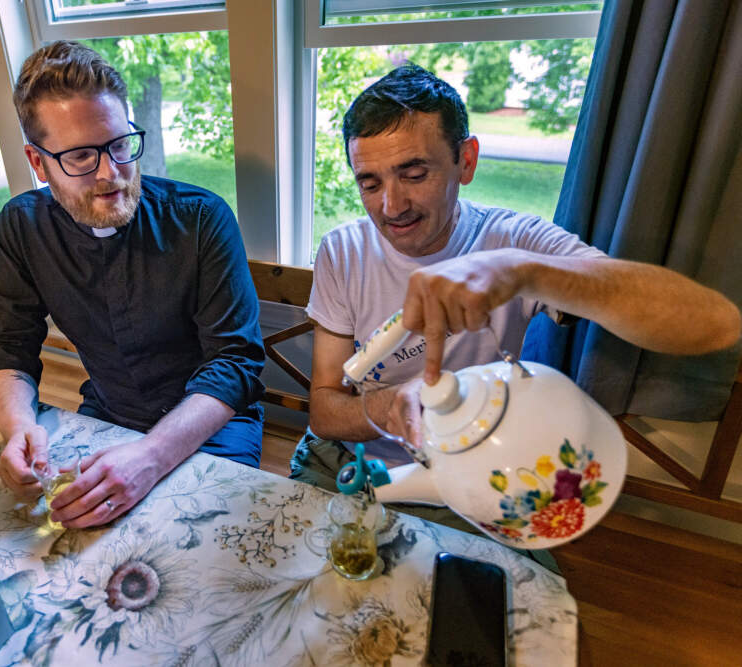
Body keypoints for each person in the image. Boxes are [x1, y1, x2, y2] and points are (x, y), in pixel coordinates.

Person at [291, 64, 741, 522]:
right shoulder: (342, 250)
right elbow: (325, 413)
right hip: (347, 466)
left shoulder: (513, 242)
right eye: (370, 183)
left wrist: (521, 272)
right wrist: (391, 404)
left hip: (471, 475)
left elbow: (715, 323)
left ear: (466, 161)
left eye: (414, 173)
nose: (391, 206)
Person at [0, 41, 265, 530]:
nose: (112, 174)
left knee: (189, 541)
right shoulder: (22, 226)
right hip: (109, 408)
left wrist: (150, 454)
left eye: (120, 145)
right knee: (60, 533)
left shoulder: (202, 220)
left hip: (213, 423)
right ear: (38, 164)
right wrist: (20, 426)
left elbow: (235, 363)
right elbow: (3, 345)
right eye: (82, 156)